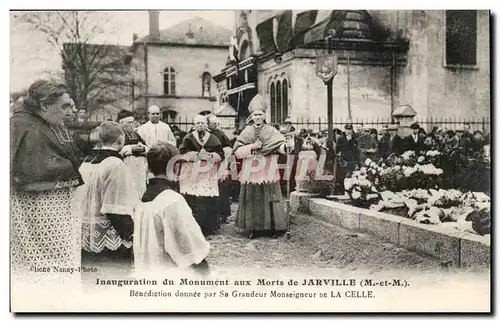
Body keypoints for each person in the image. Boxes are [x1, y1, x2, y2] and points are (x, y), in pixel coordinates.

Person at [10, 80, 82, 285]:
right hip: (38, 208)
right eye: (65, 106)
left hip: (55, 206)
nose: (70, 111)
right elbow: (30, 170)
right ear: (44, 105)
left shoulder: (45, 123)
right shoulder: (22, 124)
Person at [74, 121, 141, 271]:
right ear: (121, 140)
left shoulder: (86, 161)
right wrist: (131, 233)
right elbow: (115, 207)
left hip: (88, 235)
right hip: (111, 239)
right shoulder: (115, 164)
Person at [134, 143, 210, 275]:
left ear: (149, 168)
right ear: (175, 167)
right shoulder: (172, 200)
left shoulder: (142, 201)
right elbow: (190, 246)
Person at [233, 94, 294, 239]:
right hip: (252, 168)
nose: (258, 117)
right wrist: (252, 146)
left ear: (264, 115)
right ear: (251, 116)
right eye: (255, 114)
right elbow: (237, 152)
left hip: (268, 167)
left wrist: (286, 145)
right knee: (254, 197)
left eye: (260, 114)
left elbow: (280, 146)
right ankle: (254, 228)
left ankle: (273, 227)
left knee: (270, 196)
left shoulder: (272, 131)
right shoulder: (246, 131)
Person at [179, 115, 224, 236]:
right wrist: (196, 156)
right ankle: (192, 227)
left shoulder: (213, 138)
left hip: (208, 173)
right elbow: (182, 153)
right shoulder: (188, 138)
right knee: (193, 199)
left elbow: (220, 153)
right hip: (192, 172)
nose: (200, 125)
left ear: (206, 124)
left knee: (207, 199)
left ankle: (208, 227)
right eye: (198, 123)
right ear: (194, 125)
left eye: (202, 123)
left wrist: (211, 156)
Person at [117, 109, 149, 197]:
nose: (131, 125)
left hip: (139, 168)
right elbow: (116, 150)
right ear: (121, 123)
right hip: (127, 166)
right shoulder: (118, 135)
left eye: (132, 122)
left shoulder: (136, 134)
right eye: (129, 123)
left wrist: (143, 148)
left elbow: (146, 147)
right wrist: (131, 149)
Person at [207, 114, 233, 225]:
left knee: (222, 189)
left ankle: (224, 215)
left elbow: (228, 149)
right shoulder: (204, 135)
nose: (215, 124)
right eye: (213, 123)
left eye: (216, 123)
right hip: (207, 166)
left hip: (220, 165)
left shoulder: (221, 134)